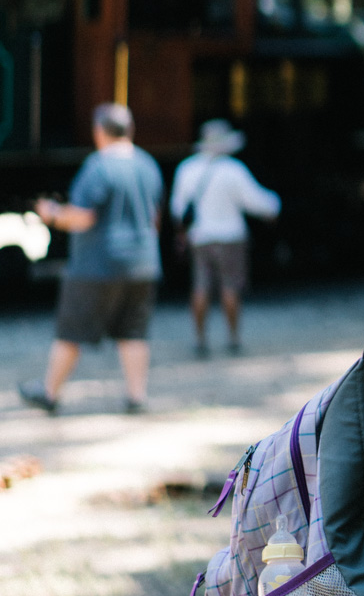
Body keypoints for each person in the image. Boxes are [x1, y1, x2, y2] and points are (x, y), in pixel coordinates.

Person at [19, 103, 163, 415]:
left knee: (71, 331)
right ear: (130, 130)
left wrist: (52, 215)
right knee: (133, 331)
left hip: (98, 264)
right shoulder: (147, 164)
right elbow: (155, 218)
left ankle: (49, 393)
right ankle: (136, 396)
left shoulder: (98, 166)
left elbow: (83, 217)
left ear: (99, 132)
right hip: (143, 262)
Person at [170, 118, 281, 356]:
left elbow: (177, 209)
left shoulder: (187, 169)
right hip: (231, 237)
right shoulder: (234, 170)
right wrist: (274, 206)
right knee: (230, 288)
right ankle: (233, 339)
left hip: (199, 237)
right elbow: (256, 201)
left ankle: (200, 340)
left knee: (200, 287)